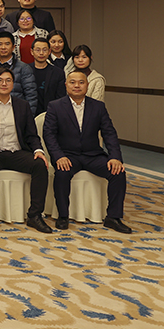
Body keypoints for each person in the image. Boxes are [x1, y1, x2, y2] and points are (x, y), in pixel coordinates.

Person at [0, 67, 52, 234]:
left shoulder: (22, 105)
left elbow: (32, 135)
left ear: (13, 84)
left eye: (8, 80)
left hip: (17, 152)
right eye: (0, 80)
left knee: (40, 165)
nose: (4, 84)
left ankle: (35, 215)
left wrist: (38, 150)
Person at [44, 71, 131, 233]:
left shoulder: (98, 106)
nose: (77, 86)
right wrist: (59, 156)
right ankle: (63, 215)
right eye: (72, 82)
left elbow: (109, 133)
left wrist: (115, 157)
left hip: (93, 155)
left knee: (118, 172)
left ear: (87, 85)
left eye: (81, 82)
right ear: (66, 85)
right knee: (62, 173)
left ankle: (113, 217)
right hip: (68, 155)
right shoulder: (55, 106)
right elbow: (49, 135)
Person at [0, 32, 38, 114]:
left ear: (13, 47)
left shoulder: (24, 68)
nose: (3, 47)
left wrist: (28, 116)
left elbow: (31, 96)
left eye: (7, 44)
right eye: (0, 44)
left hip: (17, 112)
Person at [30, 37, 66, 116]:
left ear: (49, 51)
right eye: (38, 50)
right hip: (29, 113)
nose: (41, 53)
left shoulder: (58, 73)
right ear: (32, 52)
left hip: (51, 114)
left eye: (44, 50)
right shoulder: (26, 70)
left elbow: (60, 98)